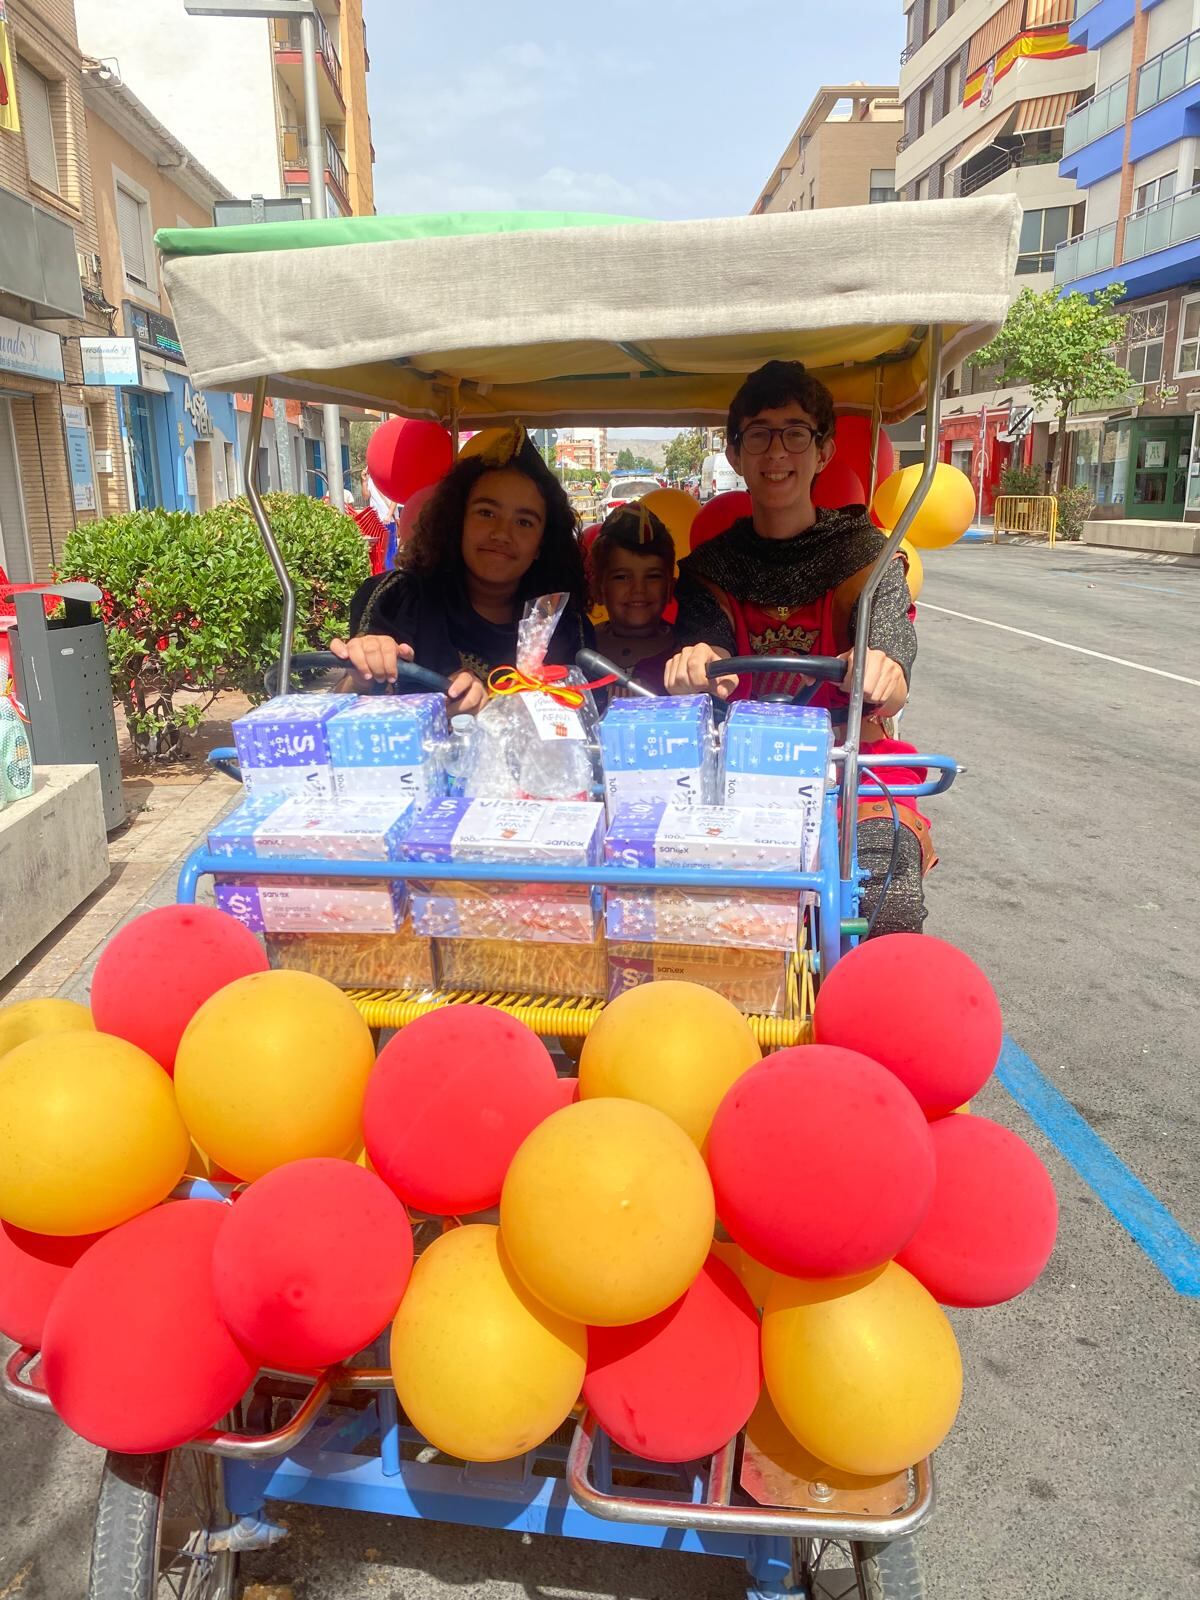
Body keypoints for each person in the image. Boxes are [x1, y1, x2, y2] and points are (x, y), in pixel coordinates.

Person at [664, 360, 933, 936]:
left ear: (824, 450)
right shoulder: (710, 569)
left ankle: (867, 1002)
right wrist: (696, 665)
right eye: (758, 435)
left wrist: (880, 666)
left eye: (794, 434)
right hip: (744, 765)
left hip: (846, 758)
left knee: (888, 885)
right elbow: (705, 640)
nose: (776, 452)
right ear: (735, 455)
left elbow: (893, 655)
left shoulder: (870, 557)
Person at [331, 426, 593, 714]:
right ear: (458, 521)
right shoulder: (400, 599)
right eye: (486, 513)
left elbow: (586, 729)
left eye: (524, 522)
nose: (501, 534)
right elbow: (341, 709)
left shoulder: (564, 625)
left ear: (542, 543)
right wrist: (358, 677)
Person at [591, 504, 677, 695]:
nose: (638, 589)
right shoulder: (581, 645)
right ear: (598, 588)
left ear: (671, 587)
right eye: (622, 577)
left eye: (653, 576)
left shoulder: (683, 652)